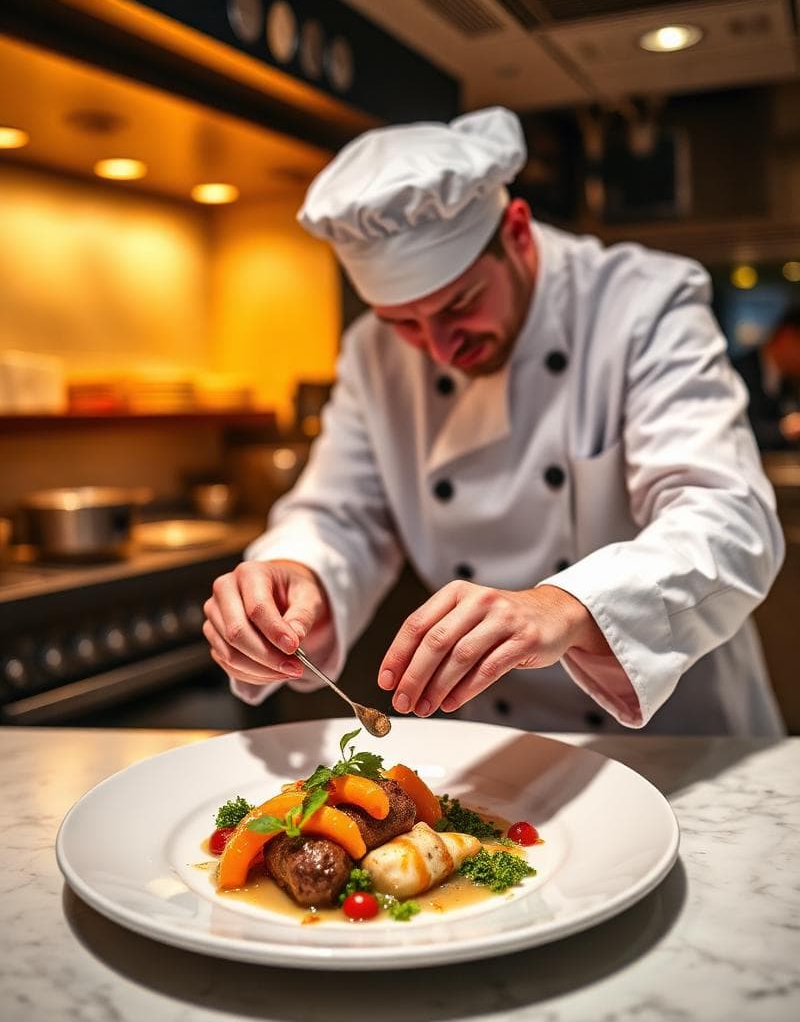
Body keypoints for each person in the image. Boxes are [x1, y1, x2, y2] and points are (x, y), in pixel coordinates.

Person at [203, 107, 786, 735]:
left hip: (676, 732)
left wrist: (563, 605)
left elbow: (728, 520)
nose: (439, 348)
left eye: (460, 304)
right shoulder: (373, 352)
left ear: (517, 232)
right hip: (498, 739)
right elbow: (339, 516)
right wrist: (299, 575)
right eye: (403, 322)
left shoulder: (642, 304)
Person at [733, 306, 800, 450]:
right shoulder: (740, 372)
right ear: (787, 337)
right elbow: (736, 430)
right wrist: (783, 429)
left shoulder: (789, 380)